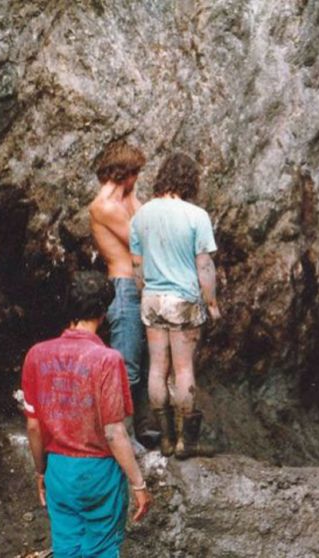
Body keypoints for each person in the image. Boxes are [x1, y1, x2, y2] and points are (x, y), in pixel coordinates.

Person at [21, 271, 151, 557]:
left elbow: (33, 426)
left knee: (66, 547)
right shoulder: (107, 360)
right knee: (102, 548)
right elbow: (114, 431)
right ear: (104, 312)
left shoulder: (36, 354)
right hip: (99, 472)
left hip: (58, 469)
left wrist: (40, 471)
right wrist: (138, 483)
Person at [130, 152, 220, 459]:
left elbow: (137, 266)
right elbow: (204, 265)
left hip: (152, 298)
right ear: (189, 181)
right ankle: (186, 442)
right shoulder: (196, 216)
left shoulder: (140, 216)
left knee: (157, 368)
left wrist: (146, 292)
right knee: (183, 369)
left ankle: (166, 440)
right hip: (182, 299)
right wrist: (211, 301)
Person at [88, 139, 157, 450]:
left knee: (141, 363)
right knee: (125, 365)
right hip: (123, 288)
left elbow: (145, 217)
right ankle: (119, 437)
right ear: (125, 174)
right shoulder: (104, 206)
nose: (137, 180)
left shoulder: (124, 199)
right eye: (135, 174)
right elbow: (141, 239)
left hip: (136, 288)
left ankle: (139, 430)